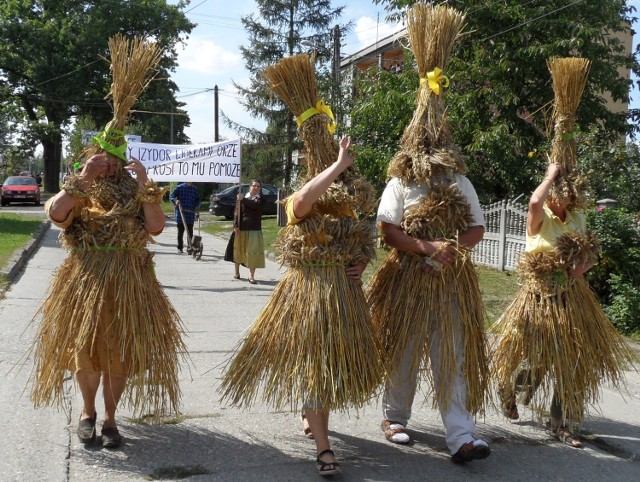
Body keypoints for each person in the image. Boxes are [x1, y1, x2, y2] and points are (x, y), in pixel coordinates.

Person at [220, 135, 384, 476]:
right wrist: (338, 164)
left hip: (343, 300)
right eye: (331, 174)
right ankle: (324, 449)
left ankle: (313, 419)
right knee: (313, 368)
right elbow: (306, 200)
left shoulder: (346, 210)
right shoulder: (298, 201)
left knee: (328, 367)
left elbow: (362, 243)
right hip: (307, 296)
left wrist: (361, 265)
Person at [30, 151, 186, 448]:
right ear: (89, 158)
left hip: (128, 285)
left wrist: (145, 184)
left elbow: (155, 227)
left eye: (115, 159)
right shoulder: (79, 185)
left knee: (120, 353)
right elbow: (57, 214)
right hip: (85, 283)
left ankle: (110, 419)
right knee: (85, 350)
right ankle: (88, 411)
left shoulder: (134, 190)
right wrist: (85, 177)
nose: (109, 165)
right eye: (102, 158)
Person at [491, 162, 633, 447]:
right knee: (533, 353)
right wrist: (549, 175)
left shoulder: (577, 218)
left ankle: (560, 423)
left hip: (572, 296)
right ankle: (508, 388)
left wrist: (584, 267)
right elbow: (534, 200)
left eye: (570, 195)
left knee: (574, 357)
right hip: (538, 296)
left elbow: (592, 252)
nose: (565, 200)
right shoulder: (538, 217)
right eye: (560, 193)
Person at [233, 180, 265, 284]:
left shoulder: (260, 199)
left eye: (258, 186)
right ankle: (237, 272)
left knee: (253, 253)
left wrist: (243, 200)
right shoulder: (242, 198)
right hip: (241, 228)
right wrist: (235, 225)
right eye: (254, 186)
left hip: (254, 229)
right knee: (239, 250)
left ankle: (251, 276)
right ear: (250, 186)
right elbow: (236, 212)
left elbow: (256, 207)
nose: (256, 188)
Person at [169, 182, 200, 253]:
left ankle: (190, 248)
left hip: (190, 213)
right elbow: (171, 196)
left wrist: (197, 206)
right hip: (180, 213)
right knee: (180, 232)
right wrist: (175, 200)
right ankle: (180, 248)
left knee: (190, 232)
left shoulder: (194, 189)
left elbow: (198, 199)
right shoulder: (179, 187)